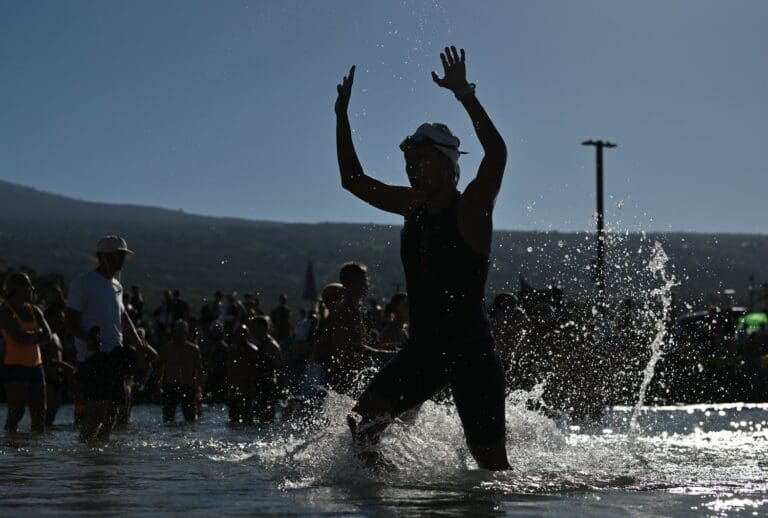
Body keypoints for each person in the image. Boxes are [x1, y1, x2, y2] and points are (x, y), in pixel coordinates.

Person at [335, 46, 510, 470]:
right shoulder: (411, 206)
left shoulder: (470, 209)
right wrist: (341, 118)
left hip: (471, 350)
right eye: (409, 161)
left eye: (421, 159)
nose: (412, 168)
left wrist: (464, 92)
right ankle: (389, 493)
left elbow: (497, 155)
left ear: (449, 165)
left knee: (491, 467)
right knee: (362, 426)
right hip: (425, 349)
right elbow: (352, 181)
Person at [65, 235, 156, 442]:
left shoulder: (117, 286)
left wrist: (141, 345)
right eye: (119, 256)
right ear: (104, 257)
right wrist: (86, 337)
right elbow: (70, 319)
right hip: (93, 355)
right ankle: (85, 452)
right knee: (96, 408)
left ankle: (101, 456)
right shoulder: (84, 282)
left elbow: (123, 318)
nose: (123, 261)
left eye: (123, 256)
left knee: (114, 410)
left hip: (115, 353)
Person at [0, 273, 51, 433]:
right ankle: (11, 450)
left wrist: (32, 336)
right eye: (29, 286)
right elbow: (20, 337)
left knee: (40, 414)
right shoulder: (5, 311)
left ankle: (37, 453)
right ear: (17, 289)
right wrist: (37, 334)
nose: (32, 289)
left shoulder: (34, 310)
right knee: (16, 412)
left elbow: (48, 336)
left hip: (36, 365)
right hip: (15, 366)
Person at [157, 320, 205, 423]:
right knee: (168, 421)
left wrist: (199, 389)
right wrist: (159, 385)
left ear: (186, 333)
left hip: (187, 387)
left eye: (182, 332)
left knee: (190, 421)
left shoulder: (193, 350)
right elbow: (160, 368)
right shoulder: (166, 349)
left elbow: (200, 371)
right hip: (170, 386)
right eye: (177, 332)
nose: (179, 335)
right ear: (173, 332)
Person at [41, 305, 76, 427]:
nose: (62, 321)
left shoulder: (56, 336)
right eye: (59, 318)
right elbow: (44, 359)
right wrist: (65, 366)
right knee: (43, 419)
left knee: (50, 421)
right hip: (47, 381)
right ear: (49, 318)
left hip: (57, 381)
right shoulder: (45, 336)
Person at [246, 316, 284, 424]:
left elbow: (280, 368)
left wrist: (280, 389)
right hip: (256, 386)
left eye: (254, 327)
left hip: (267, 386)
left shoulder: (271, 345)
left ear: (262, 327)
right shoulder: (255, 343)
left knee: (266, 420)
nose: (252, 330)